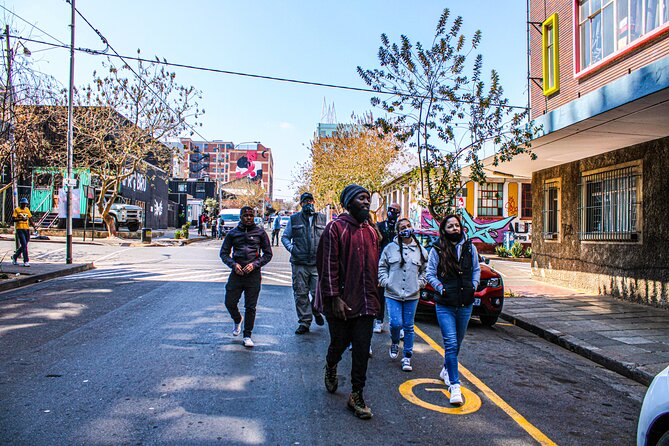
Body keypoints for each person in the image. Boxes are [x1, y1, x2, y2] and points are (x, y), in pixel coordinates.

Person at [315, 184, 380, 420]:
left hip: (366, 303)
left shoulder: (371, 231)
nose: (365, 202)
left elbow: (375, 268)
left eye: (367, 199)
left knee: (362, 349)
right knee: (339, 344)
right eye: (361, 198)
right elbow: (328, 265)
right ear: (349, 202)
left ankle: (357, 394)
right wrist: (334, 298)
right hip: (341, 303)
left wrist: (376, 299)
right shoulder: (335, 228)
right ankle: (331, 365)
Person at [425, 214, 480, 406]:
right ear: (444, 230)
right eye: (450, 226)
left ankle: (446, 370)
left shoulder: (469, 247)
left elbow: (476, 269)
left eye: (457, 225)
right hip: (445, 304)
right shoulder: (437, 250)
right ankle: (455, 386)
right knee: (450, 343)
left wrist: (474, 284)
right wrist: (441, 288)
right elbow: (430, 273)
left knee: (457, 344)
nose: (455, 228)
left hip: (466, 303)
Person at [377, 218, 427, 372]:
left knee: (409, 326)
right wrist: (386, 282)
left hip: (412, 295)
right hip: (393, 294)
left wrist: (419, 284)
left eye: (408, 226)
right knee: (395, 324)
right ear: (398, 232)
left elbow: (426, 271)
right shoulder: (390, 248)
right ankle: (394, 342)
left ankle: (407, 356)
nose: (406, 229)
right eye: (402, 227)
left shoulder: (421, 250)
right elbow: (382, 267)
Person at [220, 207, 273, 348]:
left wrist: (255, 265)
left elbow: (268, 254)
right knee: (229, 302)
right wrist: (233, 265)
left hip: (253, 275)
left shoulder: (260, 233)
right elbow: (224, 253)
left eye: (251, 215)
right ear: (240, 217)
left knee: (251, 307)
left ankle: (247, 335)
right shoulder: (232, 234)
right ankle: (237, 319)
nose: (248, 218)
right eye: (246, 215)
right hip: (236, 274)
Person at [282, 192, 326, 334]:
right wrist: (292, 249)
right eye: (305, 201)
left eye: (310, 201)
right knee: (300, 293)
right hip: (299, 263)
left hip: (316, 264)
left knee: (318, 293)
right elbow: (285, 237)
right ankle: (304, 322)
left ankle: (316, 309)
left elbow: (327, 239)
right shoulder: (294, 219)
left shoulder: (322, 218)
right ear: (301, 204)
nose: (309, 204)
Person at [374, 203, 401, 333]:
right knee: (380, 294)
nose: (391, 212)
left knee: (397, 295)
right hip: (383, 264)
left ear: (399, 213)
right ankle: (379, 321)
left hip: (397, 265)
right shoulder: (379, 226)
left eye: (395, 210)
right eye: (390, 209)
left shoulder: (400, 228)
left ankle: (398, 325)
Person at [12, 198, 37, 267]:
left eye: (25, 204)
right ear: (21, 204)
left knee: (24, 244)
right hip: (19, 229)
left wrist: (34, 226)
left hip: (26, 229)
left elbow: (30, 218)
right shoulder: (17, 210)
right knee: (24, 244)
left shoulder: (27, 210)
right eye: (23, 204)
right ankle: (26, 261)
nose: (24, 205)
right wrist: (20, 219)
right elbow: (13, 219)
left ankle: (15, 256)